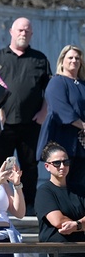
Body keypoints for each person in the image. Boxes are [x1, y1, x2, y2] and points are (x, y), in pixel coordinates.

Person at [0, 17, 51, 210]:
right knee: (0, 164)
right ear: (11, 31)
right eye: (20, 30)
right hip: (3, 123)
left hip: (31, 123)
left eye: (27, 30)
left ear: (31, 34)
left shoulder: (40, 59)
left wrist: (44, 111)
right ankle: (1, 203)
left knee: (30, 166)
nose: (23, 33)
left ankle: (30, 204)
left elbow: (49, 90)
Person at [37, 45, 85, 190]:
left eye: (77, 58)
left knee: (79, 180)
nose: (74, 61)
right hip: (63, 138)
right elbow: (61, 110)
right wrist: (83, 126)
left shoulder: (82, 84)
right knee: (62, 180)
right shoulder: (57, 82)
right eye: (70, 57)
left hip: (80, 144)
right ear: (62, 60)